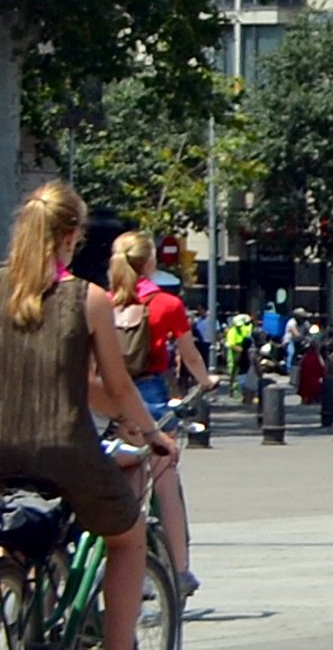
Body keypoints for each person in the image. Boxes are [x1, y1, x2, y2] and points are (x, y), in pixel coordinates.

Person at [0, 182, 177, 650]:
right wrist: (152, 432)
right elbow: (115, 387)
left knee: (16, 534)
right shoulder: (88, 299)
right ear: (72, 237)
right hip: (63, 451)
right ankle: (118, 644)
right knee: (128, 536)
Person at [105, 235, 203, 595]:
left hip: (110, 397)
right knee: (165, 482)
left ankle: (123, 562)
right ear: (150, 264)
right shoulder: (166, 304)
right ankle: (179, 570)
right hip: (150, 394)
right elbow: (189, 356)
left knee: (127, 481)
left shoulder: (102, 302)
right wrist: (206, 380)